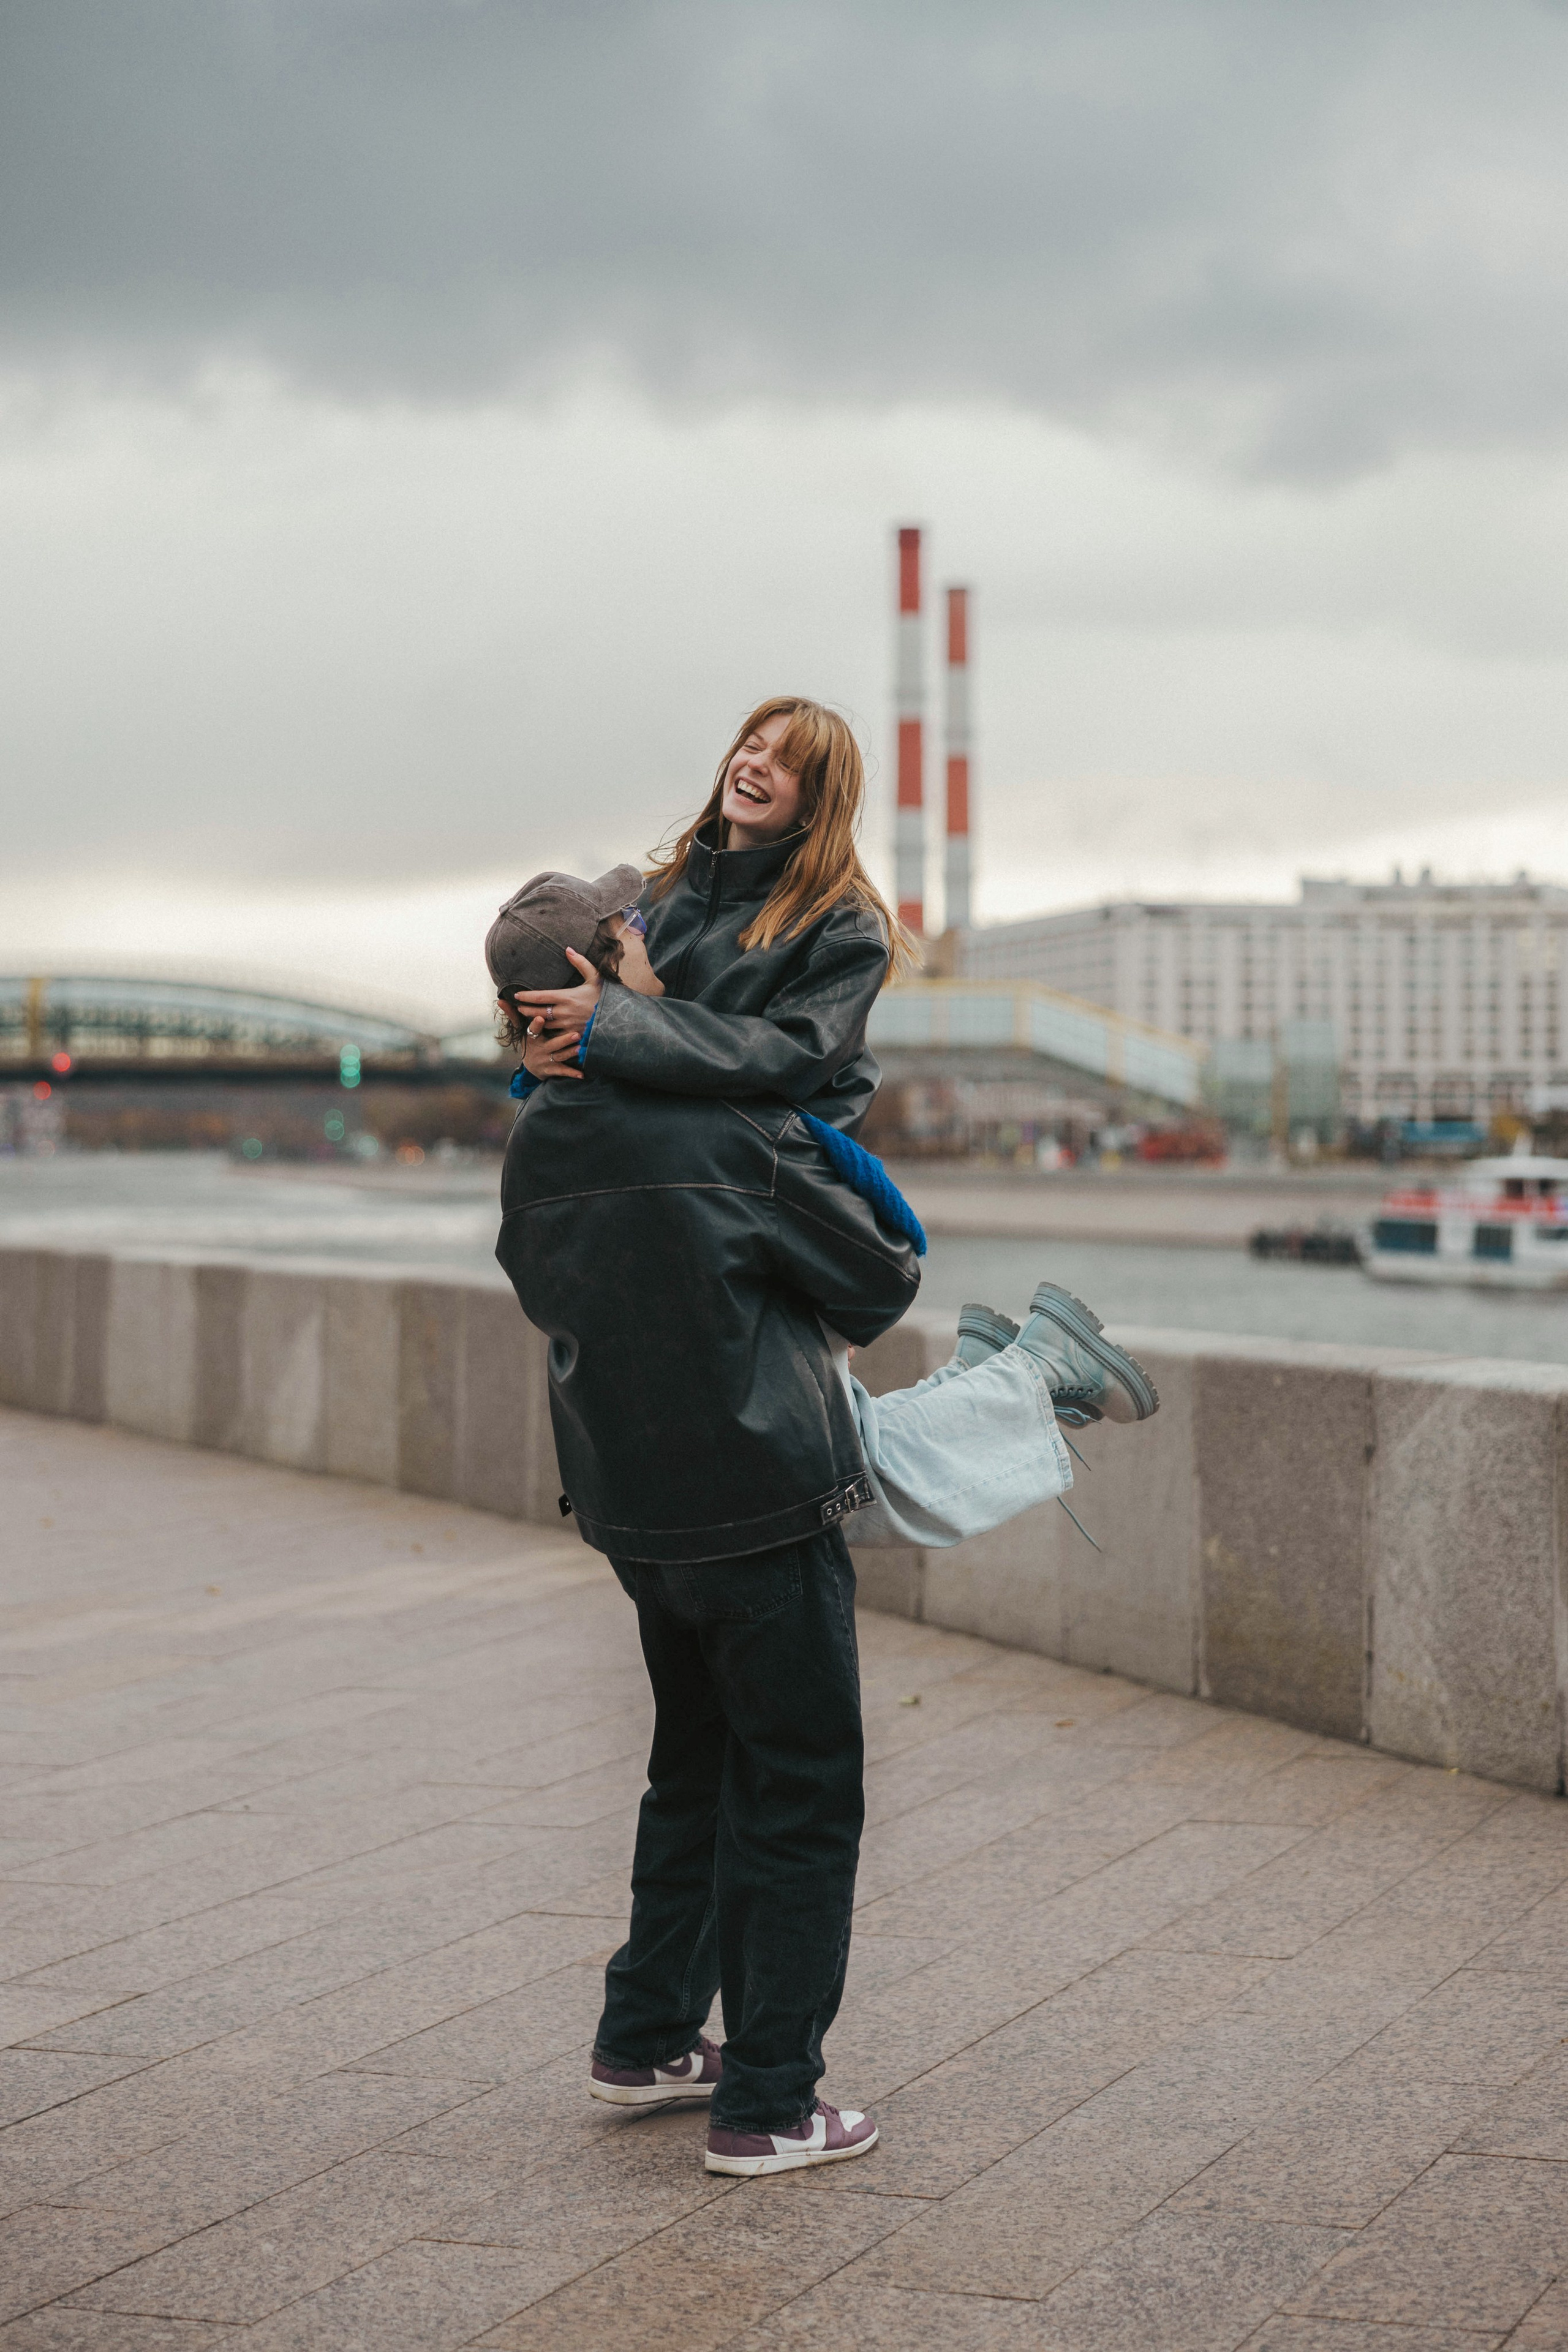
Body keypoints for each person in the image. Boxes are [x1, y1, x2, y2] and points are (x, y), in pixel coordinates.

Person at [488, 862, 1159, 2180]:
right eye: (639, 937)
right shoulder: (717, 1133)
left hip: (633, 1512)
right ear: (592, 980)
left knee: (692, 1766)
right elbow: (871, 1279)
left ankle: (647, 2038)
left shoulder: (536, 1145)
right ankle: (771, 2102)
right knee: (799, 1791)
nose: (661, 950)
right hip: (756, 1502)